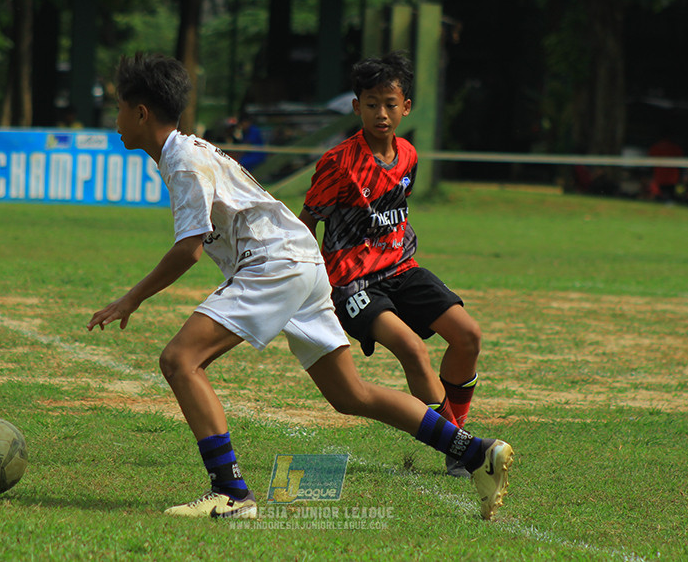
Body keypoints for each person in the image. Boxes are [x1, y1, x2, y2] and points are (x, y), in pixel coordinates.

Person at [87, 52, 513, 521]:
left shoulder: (183, 161)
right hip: (302, 262)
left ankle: (230, 492)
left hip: (275, 263)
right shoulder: (188, 151)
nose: (116, 120)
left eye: (120, 109)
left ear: (142, 112)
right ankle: (475, 452)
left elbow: (189, 249)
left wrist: (132, 297)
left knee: (179, 360)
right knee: (350, 394)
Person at [298, 51, 484, 478]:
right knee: (413, 350)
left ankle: (455, 434)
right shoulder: (338, 163)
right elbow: (305, 225)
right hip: (353, 282)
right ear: (356, 106)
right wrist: (310, 284)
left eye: (390, 103)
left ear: (406, 107)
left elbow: (396, 210)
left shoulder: (408, 156)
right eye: (371, 104)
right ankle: (459, 448)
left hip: (401, 268)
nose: (381, 113)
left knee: (468, 336)